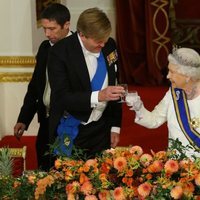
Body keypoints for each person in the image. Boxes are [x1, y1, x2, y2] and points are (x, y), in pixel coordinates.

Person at [48, 7, 124, 162]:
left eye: (105, 39)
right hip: (72, 128)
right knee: (71, 183)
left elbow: (115, 85)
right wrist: (99, 96)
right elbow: (61, 97)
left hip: (101, 128)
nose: (103, 45)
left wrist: (115, 126)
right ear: (82, 35)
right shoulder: (59, 53)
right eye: (98, 41)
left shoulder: (109, 46)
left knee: (101, 180)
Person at [13, 3, 71, 171]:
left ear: (66, 25)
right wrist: (24, 118)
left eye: (52, 29)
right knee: (44, 170)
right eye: (45, 29)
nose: (47, 34)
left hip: (69, 122)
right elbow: (35, 86)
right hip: (46, 120)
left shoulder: (78, 49)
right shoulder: (44, 48)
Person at [126, 47, 200, 157]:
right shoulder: (173, 94)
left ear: (187, 76)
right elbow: (154, 120)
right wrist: (139, 108)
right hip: (175, 166)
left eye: (172, 72)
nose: (167, 76)